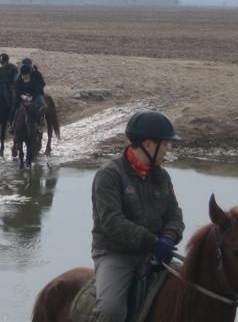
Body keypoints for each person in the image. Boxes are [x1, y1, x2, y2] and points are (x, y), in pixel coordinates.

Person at [90, 110, 184, 322]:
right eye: (165, 143)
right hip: (116, 254)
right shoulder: (109, 175)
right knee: (110, 310)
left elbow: (174, 214)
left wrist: (169, 236)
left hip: (157, 254)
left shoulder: (162, 176)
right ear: (148, 144)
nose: (168, 149)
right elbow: (112, 222)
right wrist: (152, 241)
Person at [10, 64, 46, 130]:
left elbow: (36, 90)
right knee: (13, 109)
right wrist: (22, 96)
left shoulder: (34, 80)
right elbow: (16, 90)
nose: (24, 76)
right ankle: (12, 124)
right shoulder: (19, 80)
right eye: (23, 75)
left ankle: (40, 121)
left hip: (32, 98)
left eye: (25, 75)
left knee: (41, 106)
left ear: (29, 74)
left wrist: (32, 97)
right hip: (21, 98)